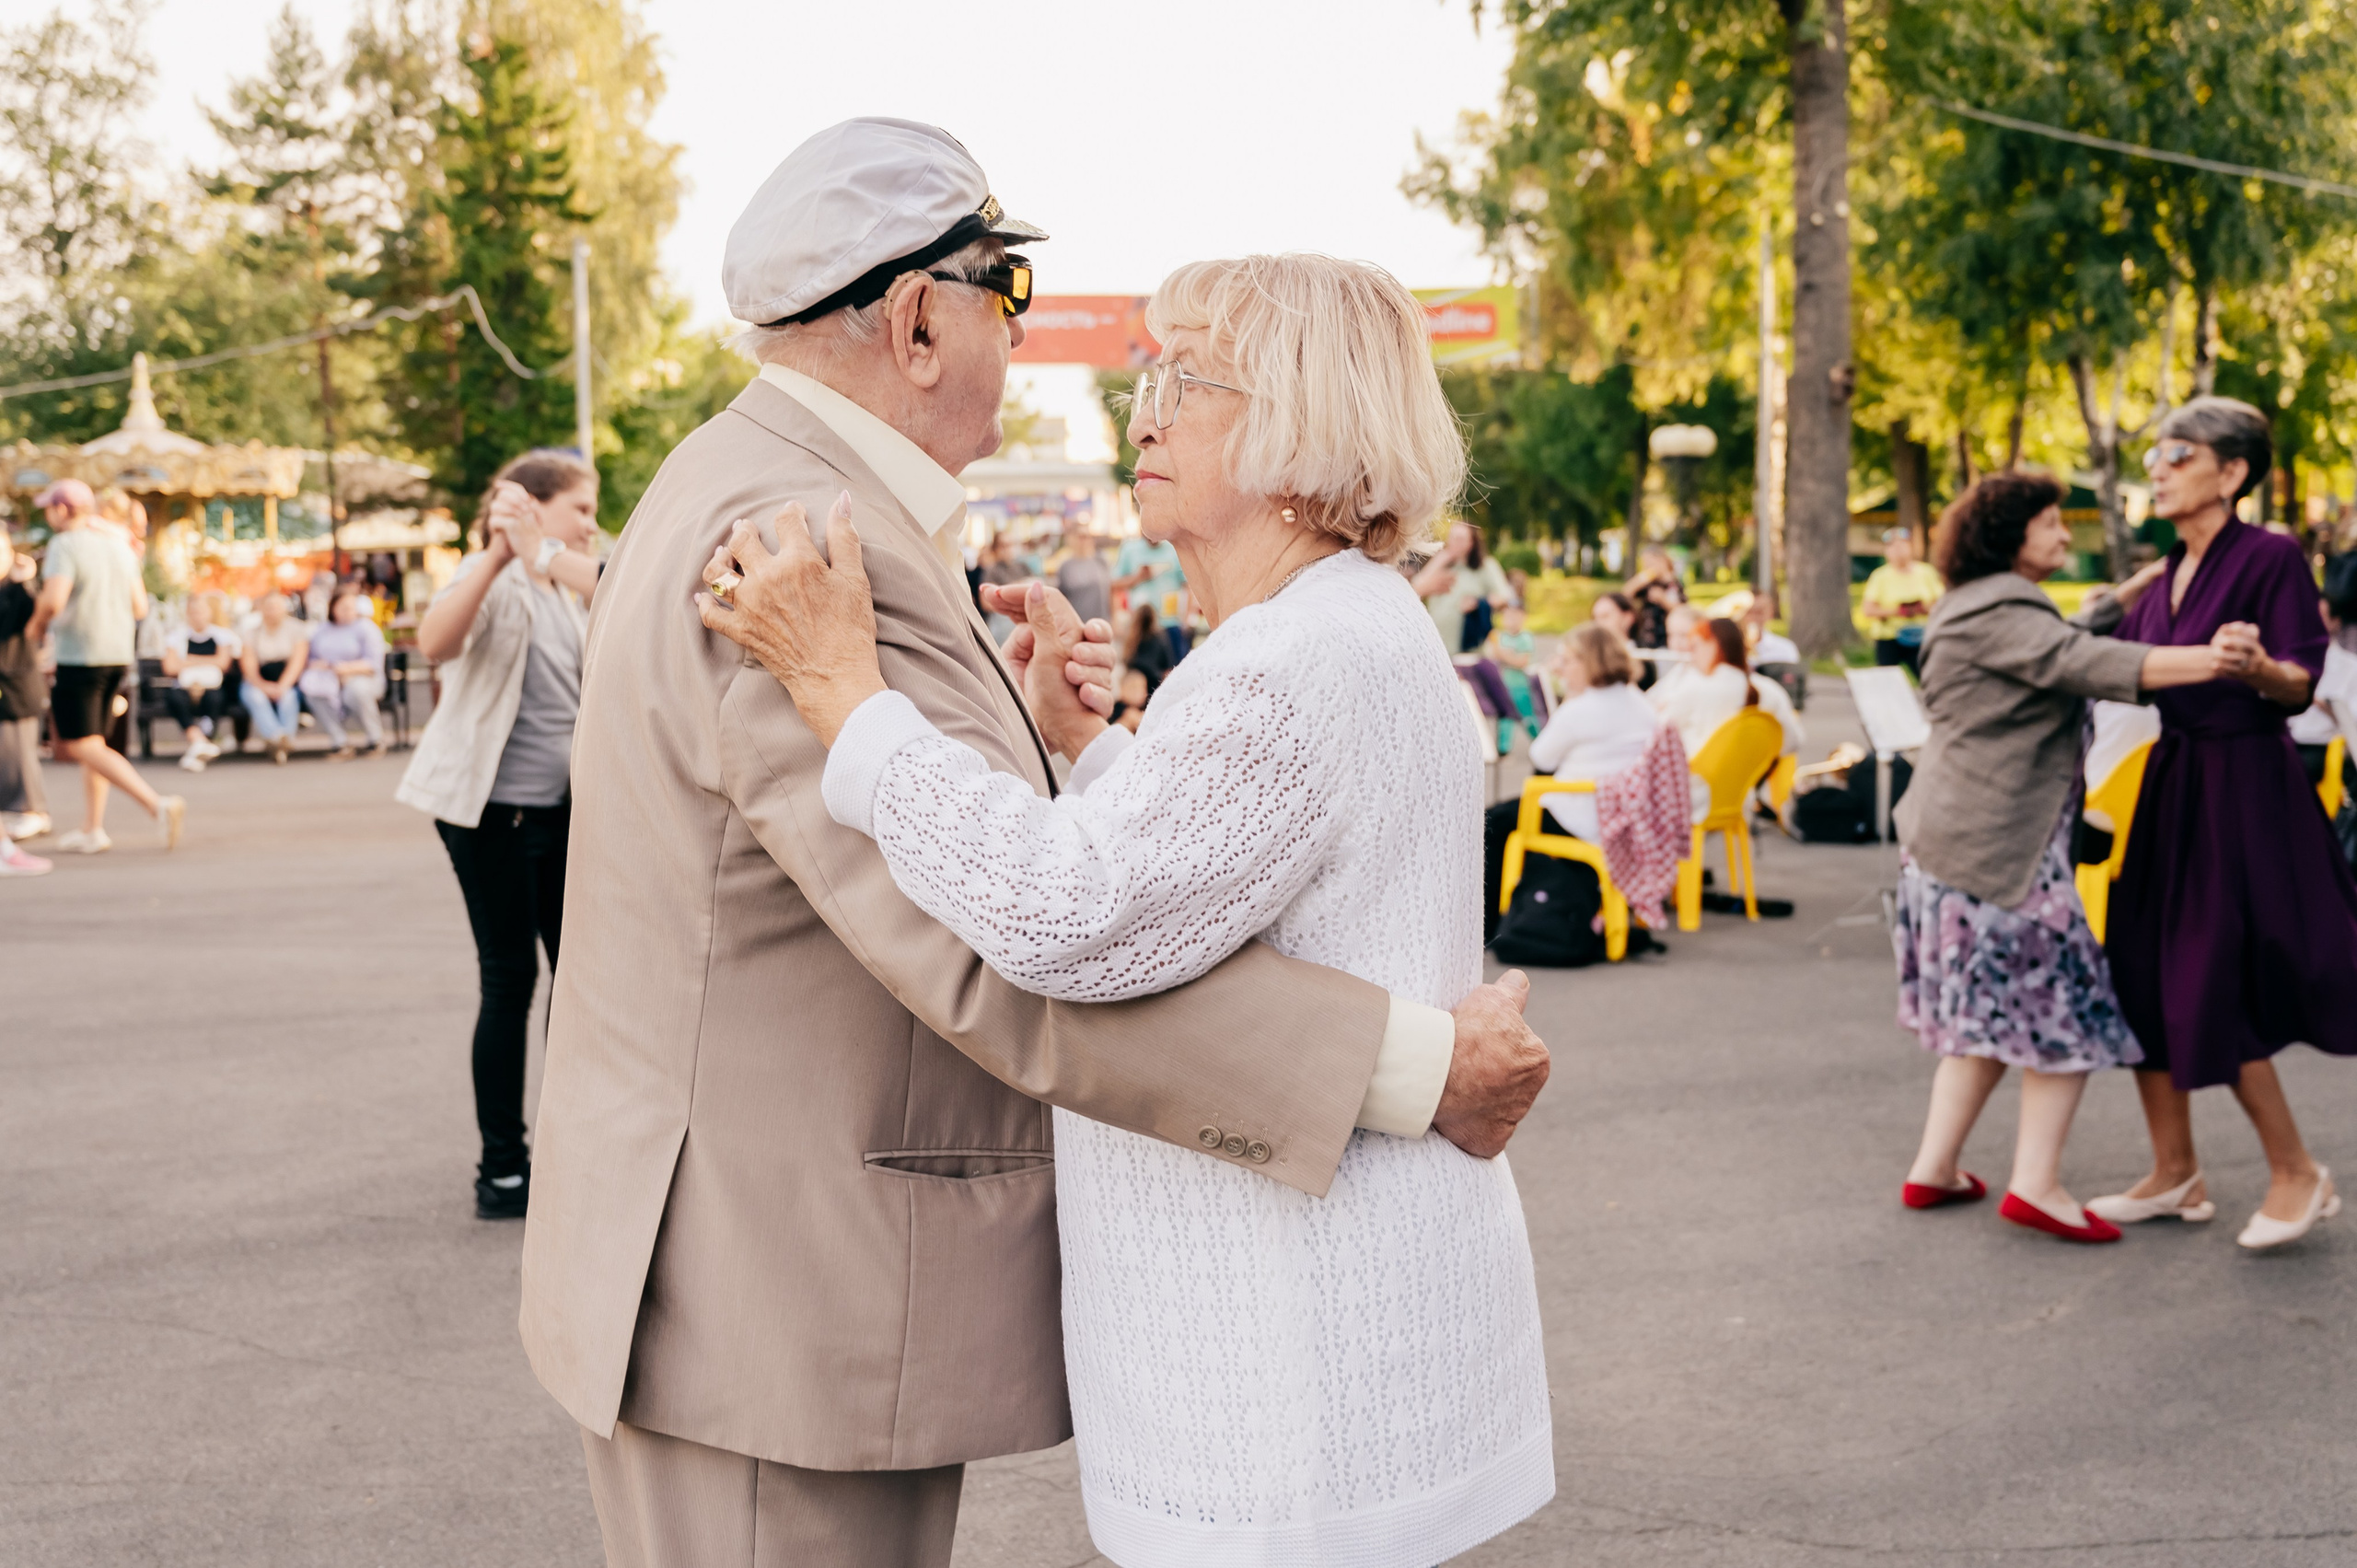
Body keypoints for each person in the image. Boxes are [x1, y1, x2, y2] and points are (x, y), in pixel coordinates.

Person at [518, 120, 1548, 1568]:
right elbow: (1005, 942)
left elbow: (1076, 892)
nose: (1122, 397)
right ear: (918, 321)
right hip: (771, 1299)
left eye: (1182, 379)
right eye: (1011, 295)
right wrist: (1416, 1066)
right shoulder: (802, 541)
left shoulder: (780, 500)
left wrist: (1070, 754)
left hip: (766, 1277)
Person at [1892, 473, 2231, 1243]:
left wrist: (2136, 587)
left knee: (1983, 1022)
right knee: (2068, 1014)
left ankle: (1934, 1168)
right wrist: (2222, 660)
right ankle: (2036, 1186)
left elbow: (2065, 635)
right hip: (1997, 853)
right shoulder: (2003, 614)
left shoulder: (1977, 604)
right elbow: (2088, 660)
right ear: (2010, 537)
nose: (2063, 534)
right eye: (2049, 523)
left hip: (1951, 848)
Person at [2093, 398, 2357, 1249]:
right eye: (2156, 455)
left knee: (2214, 973)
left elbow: (2301, 682)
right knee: (2137, 965)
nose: (2159, 468)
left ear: (2233, 472)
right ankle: (2175, 1171)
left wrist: (2258, 668)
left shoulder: (2270, 554)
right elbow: (2114, 660)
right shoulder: (2166, 568)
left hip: (2242, 784)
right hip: (2171, 781)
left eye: (2179, 453)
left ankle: (2297, 1170)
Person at [399, 451, 601, 1221]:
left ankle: (573, 1150)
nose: (591, 523)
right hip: (493, 815)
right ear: (534, 505)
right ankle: (504, 1168)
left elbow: (618, 586)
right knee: (510, 978)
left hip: (562, 811)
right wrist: (494, 551)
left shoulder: (563, 584)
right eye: (580, 508)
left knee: (579, 982)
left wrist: (541, 550)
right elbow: (435, 642)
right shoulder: (497, 580)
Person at [26, 480, 183, 854]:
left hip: (80, 655)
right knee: (94, 742)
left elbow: (54, 600)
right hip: (117, 654)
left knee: (78, 744)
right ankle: (93, 829)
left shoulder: (66, 545)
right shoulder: (118, 544)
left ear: (62, 509)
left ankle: (156, 804)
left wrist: (34, 629)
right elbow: (140, 606)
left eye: (49, 508)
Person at [1480, 623, 1660, 935]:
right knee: (1508, 815)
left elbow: (1541, 757)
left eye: (1566, 660)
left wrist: (1569, 699)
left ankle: (1488, 923)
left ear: (1587, 663)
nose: (1560, 668)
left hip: (1579, 815)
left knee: (1492, 824)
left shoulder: (1581, 707)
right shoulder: (1640, 703)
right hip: (1625, 815)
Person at [0, 528, 50, 847]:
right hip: (8, 684)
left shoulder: (17, 589)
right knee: (5, 752)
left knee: (19, 751)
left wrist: (25, 581)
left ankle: (32, 810)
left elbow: (33, 617)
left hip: (16, 684)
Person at [1651, 612, 1757, 760]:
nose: (1691, 654)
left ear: (1714, 645)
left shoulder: (1699, 686)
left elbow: (1658, 726)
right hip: (1744, 769)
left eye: (1695, 646)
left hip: (1698, 766)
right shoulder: (1762, 686)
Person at [300, 586, 389, 759]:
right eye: (344, 607)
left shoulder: (366, 628)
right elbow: (311, 659)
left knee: (355, 690)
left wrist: (346, 669)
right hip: (329, 679)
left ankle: (376, 739)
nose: (349, 611)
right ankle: (340, 742)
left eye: (351, 607)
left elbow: (374, 663)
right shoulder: (322, 630)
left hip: (363, 678)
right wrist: (323, 666)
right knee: (314, 693)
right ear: (333, 607)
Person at [159, 594, 241, 772]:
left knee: (215, 698)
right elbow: (170, 667)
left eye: (201, 611)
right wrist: (208, 661)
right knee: (175, 697)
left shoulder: (221, 635)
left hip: (213, 689)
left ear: (210, 612)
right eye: (193, 612)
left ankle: (200, 744)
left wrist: (189, 660)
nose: (197, 616)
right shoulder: (177, 636)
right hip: (185, 688)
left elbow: (223, 663)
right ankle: (199, 741)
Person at [1411, 517, 1511, 655]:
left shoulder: (1485, 566)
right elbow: (1414, 589)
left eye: (1460, 538)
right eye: (1452, 537)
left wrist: (1478, 603)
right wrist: (1438, 561)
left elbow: (1505, 597)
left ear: (1471, 543)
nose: (1454, 542)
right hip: (1439, 647)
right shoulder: (1442, 566)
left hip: (1470, 649)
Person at [1861, 527, 1945, 675]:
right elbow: (1868, 610)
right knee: (1887, 679)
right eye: (1893, 547)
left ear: (1911, 547)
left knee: (1929, 676)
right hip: (1890, 637)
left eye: (1902, 545)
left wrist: (1921, 609)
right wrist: (1898, 611)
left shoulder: (1926, 572)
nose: (1898, 551)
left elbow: (1942, 602)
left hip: (1921, 635)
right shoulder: (1880, 576)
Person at [238, 594, 309, 764]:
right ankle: (280, 737)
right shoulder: (251, 633)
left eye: (276, 607)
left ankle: (279, 742)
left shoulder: (297, 629)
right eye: (268, 607)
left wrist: (282, 686)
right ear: (261, 609)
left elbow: (297, 663)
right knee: (256, 697)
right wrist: (263, 686)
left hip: (288, 680)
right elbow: (249, 667)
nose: (272, 611)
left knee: (288, 697)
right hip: (258, 681)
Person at [1113, 526, 1190, 664]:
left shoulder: (1174, 549)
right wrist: (1138, 577)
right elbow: (1115, 585)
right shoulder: (1130, 549)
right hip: (1140, 625)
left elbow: (1187, 585)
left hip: (1169, 623)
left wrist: (1187, 618)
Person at [1487, 599, 1546, 749]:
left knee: (1527, 717)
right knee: (1505, 717)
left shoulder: (1525, 637)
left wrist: (1503, 654)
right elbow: (1493, 657)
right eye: (1507, 616)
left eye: (1514, 616)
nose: (1510, 619)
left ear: (1522, 617)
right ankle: (1503, 749)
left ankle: (1541, 743)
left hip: (1520, 686)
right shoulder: (1501, 637)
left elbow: (1521, 662)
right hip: (1503, 685)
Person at [1053, 528, 1112, 624]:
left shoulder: (1100, 561)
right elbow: (1061, 597)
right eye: (1081, 537)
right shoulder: (1066, 567)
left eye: (1087, 537)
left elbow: (1109, 591)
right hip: (1078, 621)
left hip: (1101, 621)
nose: (1084, 541)